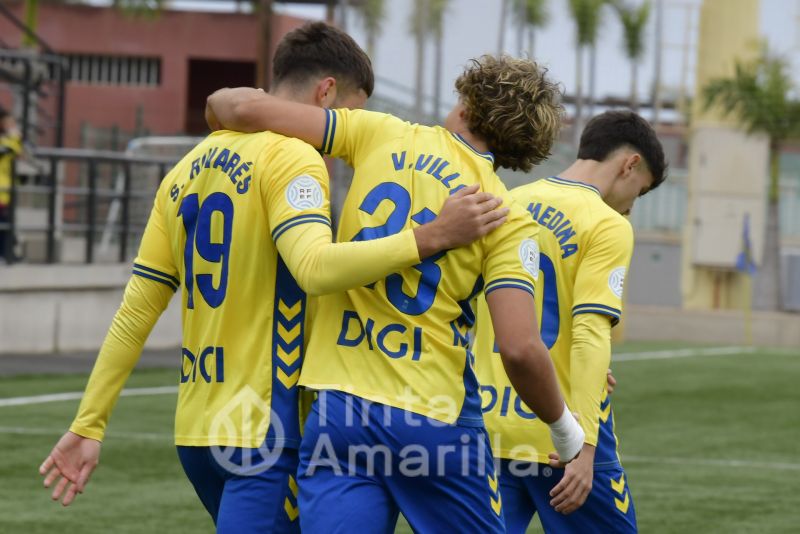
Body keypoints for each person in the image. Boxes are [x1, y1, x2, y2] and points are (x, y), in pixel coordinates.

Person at [37, 22, 506, 533]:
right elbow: (314, 268)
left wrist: (89, 422)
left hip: (199, 431)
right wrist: (429, 237)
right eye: (353, 113)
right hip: (267, 429)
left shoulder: (185, 170)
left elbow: (136, 311)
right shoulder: (295, 158)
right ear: (326, 93)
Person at [206, 53, 586, 533]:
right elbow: (520, 348)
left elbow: (234, 108)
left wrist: (214, 105)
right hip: (435, 422)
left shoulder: (379, 132)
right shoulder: (506, 217)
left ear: (466, 104)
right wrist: (566, 433)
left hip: (339, 414)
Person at [473, 110, 668, 533]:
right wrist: (585, 448)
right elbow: (590, 334)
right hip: (560, 435)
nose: (633, 205)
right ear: (629, 164)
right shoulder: (606, 224)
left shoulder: (510, 200)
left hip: (491, 429)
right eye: (641, 190)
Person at [0, 107, 22, 263]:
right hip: (2, 190)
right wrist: (15, 138)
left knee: (6, 224)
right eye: (9, 124)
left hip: (6, 190)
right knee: (4, 225)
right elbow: (11, 150)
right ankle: (8, 254)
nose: (12, 127)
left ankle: (9, 253)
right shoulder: (6, 142)